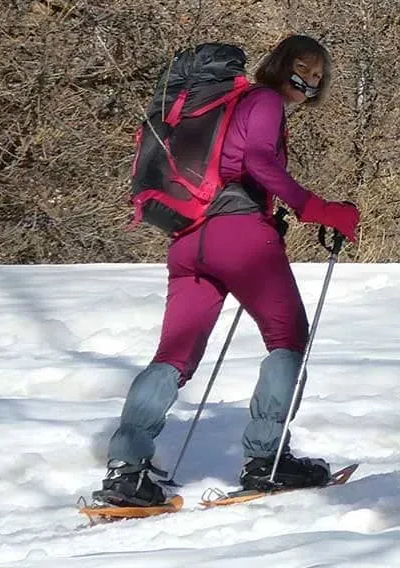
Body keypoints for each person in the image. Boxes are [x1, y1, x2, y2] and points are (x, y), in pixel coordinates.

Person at [95, 35, 361, 507]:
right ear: (280, 64)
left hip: (188, 240)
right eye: (304, 68)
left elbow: (232, 168)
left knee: (173, 356)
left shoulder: (214, 107)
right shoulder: (263, 100)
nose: (310, 80)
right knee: (288, 339)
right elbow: (257, 161)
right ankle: (266, 460)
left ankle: (127, 470)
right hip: (238, 238)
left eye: (318, 75)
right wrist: (316, 208)